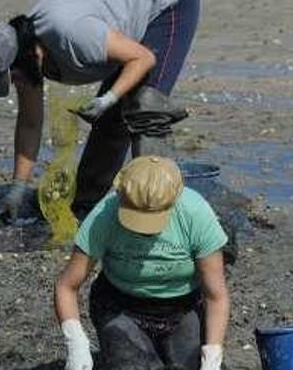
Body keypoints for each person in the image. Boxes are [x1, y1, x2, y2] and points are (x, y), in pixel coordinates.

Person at [0, 0, 198, 225]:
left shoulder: (71, 33)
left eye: (14, 74)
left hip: (167, 1)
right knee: (111, 120)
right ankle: (85, 205)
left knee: (145, 108)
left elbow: (142, 58)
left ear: (29, 54)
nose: (17, 81)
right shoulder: (25, 55)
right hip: (126, 10)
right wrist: (16, 192)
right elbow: (30, 124)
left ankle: (155, 212)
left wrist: (108, 98)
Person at [55, 155, 229, 370]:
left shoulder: (196, 214)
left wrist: (212, 356)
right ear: (120, 194)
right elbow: (67, 286)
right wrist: (76, 343)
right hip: (121, 305)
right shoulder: (104, 216)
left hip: (183, 307)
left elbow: (215, 296)